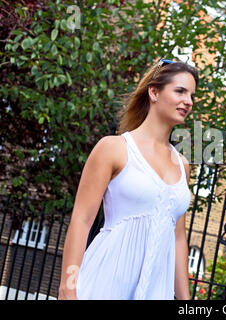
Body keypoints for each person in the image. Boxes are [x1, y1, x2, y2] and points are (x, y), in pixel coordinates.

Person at [58, 59, 199, 300]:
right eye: (180, 91)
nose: (188, 101)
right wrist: (68, 288)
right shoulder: (114, 148)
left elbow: (177, 238)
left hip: (155, 291)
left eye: (192, 95)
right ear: (154, 92)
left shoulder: (182, 165)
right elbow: (82, 221)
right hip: (105, 283)